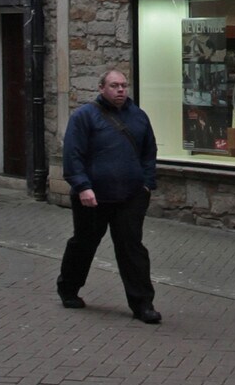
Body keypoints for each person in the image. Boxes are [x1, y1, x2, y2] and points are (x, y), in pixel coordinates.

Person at [57, 68, 161, 323]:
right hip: (93, 196)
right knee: (84, 244)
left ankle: (143, 304)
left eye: (124, 85)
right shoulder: (84, 116)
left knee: (131, 248)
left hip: (131, 195)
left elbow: (149, 153)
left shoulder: (138, 117)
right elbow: (73, 155)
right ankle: (68, 289)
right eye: (114, 86)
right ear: (101, 88)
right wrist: (82, 186)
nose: (121, 90)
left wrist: (146, 184)